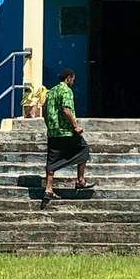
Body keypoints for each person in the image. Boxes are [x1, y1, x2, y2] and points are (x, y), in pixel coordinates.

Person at [42, 69, 95, 204]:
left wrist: (49, 125)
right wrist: (75, 125)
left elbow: (44, 110)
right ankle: (80, 180)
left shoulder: (51, 91)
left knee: (52, 160)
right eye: (73, 79)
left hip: (53, 132)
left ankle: (48, 189)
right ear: (68, 78)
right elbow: (66, 109)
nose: (73, 82)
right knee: (83, 149)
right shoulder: (66, 91)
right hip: (66, 131)